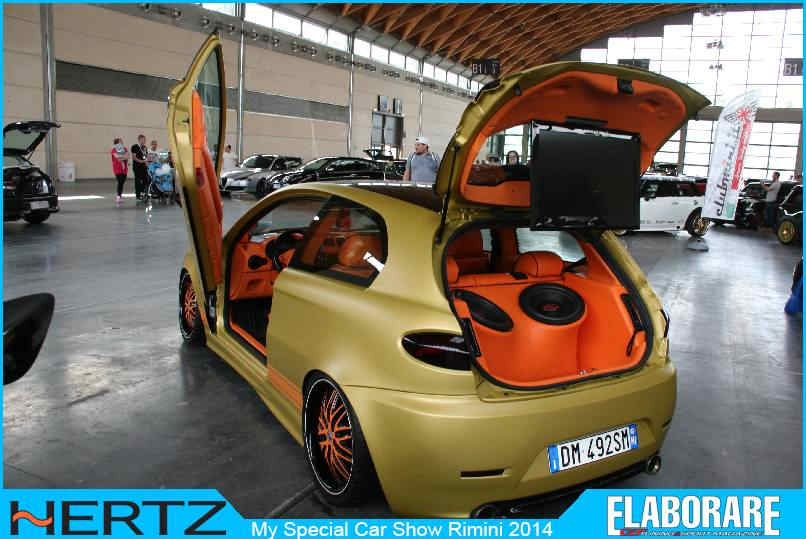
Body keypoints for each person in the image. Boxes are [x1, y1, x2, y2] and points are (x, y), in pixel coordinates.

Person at [111, 137, 129, 206]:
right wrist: (123, 157)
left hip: (124, 168)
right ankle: (118, 196)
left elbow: (127, 156)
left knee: (122, 182)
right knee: (120, 181)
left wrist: (122, 157)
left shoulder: (125, 149)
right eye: (120, 141)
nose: (122, 142)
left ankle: (120, 195)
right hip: (117, 168)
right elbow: (117, 157)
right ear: (117, 143)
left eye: (122, 141)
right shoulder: (114, 150)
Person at [131, 134, 149, 201]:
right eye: (143, 139)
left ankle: (142, 193)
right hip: (137, 167)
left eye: (145, 140)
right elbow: (134, 157)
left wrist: (147, 163)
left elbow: (145, 156)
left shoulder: (145, 147)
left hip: (144, 167)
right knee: (138, 181)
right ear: (139, 139)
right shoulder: (134, 147)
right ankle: (138, 195)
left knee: (145, 180)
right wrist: (141, 161)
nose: (144, 141)